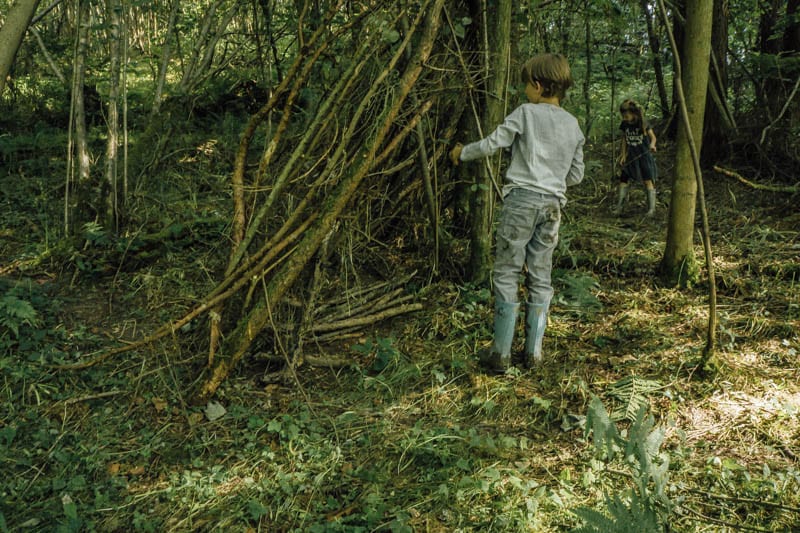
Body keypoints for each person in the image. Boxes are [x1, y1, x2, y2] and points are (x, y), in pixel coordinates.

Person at [449, 53, 585, 373]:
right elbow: (576, 175)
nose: (525, 90)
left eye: (526, 84)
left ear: (537, 86)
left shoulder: (526, 113)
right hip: (553, 206)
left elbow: (494, 143)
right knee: (541, 274)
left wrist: (461, 152)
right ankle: (533, 355)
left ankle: (501, 354)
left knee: (508, 271)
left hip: (521, 201)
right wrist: (552, 179)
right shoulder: (572, 124)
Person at [613, 99, 658, 216]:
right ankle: (619, 207)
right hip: (630, 156)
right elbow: (624, 139)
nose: (624, 118)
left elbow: (653, 138)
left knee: (647, 180)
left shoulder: (643, 123)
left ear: (634, 113)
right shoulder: (624, 124)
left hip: (643, 156)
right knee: (623, 179)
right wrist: (623, 154)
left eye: (626, 115)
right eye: (623, 115)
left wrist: (652, 145)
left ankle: (651, 209)